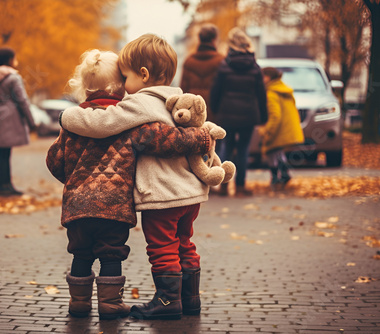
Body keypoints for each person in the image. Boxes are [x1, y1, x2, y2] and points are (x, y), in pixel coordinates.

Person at [60, 34, 219, 320]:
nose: (124, 85)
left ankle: (168, 302)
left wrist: (68, 117)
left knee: (162, 247)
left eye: (126, 77)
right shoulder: (176, 100)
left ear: (143, 75)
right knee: (185, 242)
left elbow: (101, 122)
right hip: (190, 193)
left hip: (162, 195)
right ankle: (189, 299)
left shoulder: (139, 104)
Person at [210, 27, 268, 197]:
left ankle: (223, 186)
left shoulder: (224, 66)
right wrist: (263, 116)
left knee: (226, 148)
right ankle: (241, 186)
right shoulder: (255, 67)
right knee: (243, 150)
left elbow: (215, 92)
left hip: (226, 114)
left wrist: (215, 110)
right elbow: (261, 95)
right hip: (248, 116)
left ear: (231, 45)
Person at [0, 45, 35, 196]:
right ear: (10, 60)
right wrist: (31, 121)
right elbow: (22, 100)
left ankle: (1, 184)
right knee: (5, 152)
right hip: (10, 117)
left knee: (2, 152)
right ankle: (3, 186)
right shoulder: (13, 78)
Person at [260, 67, 304, 189]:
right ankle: (283, 175)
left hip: (280, 128)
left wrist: (267, 131)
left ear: (268, 77)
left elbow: (275, 116)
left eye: (262, 76)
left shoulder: (271, 93)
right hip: (287, 127)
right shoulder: (283, 89)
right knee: (276, 151)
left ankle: (277, 177)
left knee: (271, 151)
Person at [180, 23, 224, 122]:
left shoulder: (189, 61)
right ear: (214, 39)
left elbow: (183, 90)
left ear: (199, 39)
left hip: (194, 115)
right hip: (215, 115)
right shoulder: (221, 61)